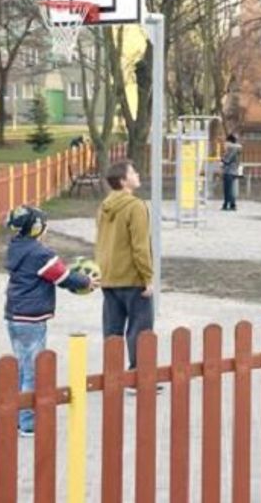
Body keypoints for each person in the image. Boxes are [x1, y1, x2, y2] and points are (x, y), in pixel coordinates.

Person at [4, 204, 96, 437]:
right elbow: (62, 277)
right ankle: (27, 424)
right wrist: (86, 282)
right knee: (33, 371)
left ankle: (17, 415)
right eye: (44, 227)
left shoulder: (15, 247)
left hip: (14, 315)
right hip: (32, 319)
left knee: (22, 368)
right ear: (35, 228)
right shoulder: (39, 254)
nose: (45, 231)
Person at [96, 159, 156, 382]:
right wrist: (147, 277)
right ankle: (138, 376)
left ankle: (112, 375)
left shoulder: (104, 207)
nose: (138, 174)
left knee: (112, 330)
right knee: (140, 329)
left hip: (109, 277)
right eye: (133, 172)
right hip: (132, 278)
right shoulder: (135, 206)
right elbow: (140, 246)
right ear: (123, 181)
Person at [220, 133, 242, 211]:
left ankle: (228, 204)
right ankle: (231, 204)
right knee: (231, 188)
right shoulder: (237, 149)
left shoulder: (232, 149)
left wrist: (222, 159)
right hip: (233, 171)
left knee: (228, 189)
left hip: (229, 171)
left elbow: (227, 160)